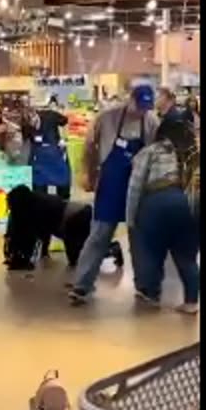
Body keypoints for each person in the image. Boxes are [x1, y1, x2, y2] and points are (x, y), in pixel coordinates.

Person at [68, 83, 160, 305]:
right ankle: (82, 285)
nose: (142, 111)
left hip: (139, 186)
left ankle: (146, 287)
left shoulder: (151, 121)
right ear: (130, 99)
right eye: (139, 105)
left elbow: (157, 153)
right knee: (99, 234)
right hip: (111, 184)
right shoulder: (107, 118)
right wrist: (88, 175)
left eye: (146, 107)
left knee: (140, 239)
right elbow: (90, 147)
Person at [127, 118, 200, 314]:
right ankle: (192, 302)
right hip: (189, 202)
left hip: (157, 201)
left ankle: (151, 295)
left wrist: (131, 218)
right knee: (187, 256)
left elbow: (135, 187)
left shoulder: (150, 151)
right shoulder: (193, 153)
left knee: (151, 251)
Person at [4, 186, 105, 271]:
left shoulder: (35, 207)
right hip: (76, 215)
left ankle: (112, 249)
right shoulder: (33, 201)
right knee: (76, 258)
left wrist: (23, 258)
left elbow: (32, 235)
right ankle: (106, 248)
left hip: (78, 217)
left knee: (82, 255)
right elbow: (39, 233)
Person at [26, 108, 72, 199]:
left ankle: (62, 203)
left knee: (63, 186)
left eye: (33, 123)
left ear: (35, 115)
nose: (33, 127)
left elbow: (66, 121)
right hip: (39, 159)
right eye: (31, 125)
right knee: (39, 191)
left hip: (57, 155)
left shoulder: (50, 115)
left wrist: (64, 138)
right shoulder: (27, 127)